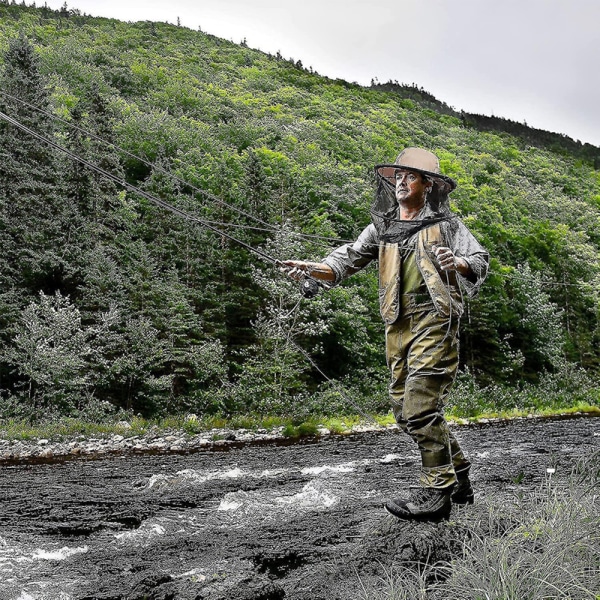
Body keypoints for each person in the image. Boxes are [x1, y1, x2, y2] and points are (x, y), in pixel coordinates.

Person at [282, 148, 489, 521]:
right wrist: (315, 270)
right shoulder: (383, 226)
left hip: (436, 320)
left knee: (420, 407)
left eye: (410, 176)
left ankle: (436, 491)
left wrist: (456, 262)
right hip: (397, 323)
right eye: (397, 176)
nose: (401, 181)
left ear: (429, 185)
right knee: (403, 411)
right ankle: (459, 475)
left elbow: (478, 261)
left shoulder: (449, 225)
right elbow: (345, 260)